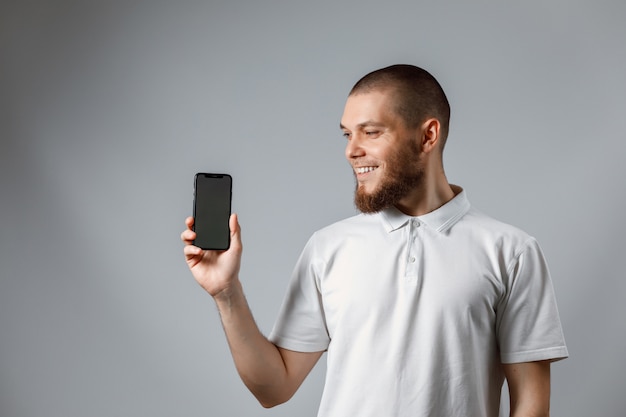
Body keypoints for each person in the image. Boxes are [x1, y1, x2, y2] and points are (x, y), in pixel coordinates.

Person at [181, 64, 568, 416]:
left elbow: (531, 403)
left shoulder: (511, 252)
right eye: (348, 134)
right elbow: (273, 388)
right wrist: (226, 292)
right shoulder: (328, 248)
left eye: (371, 132)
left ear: (427, 136)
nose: (352, 150)